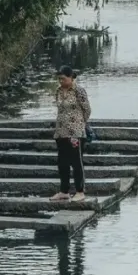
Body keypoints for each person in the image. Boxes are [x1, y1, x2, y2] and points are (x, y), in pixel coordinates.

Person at [51, 66, 92, 204]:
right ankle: (64, 191)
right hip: (61, 131)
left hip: (75, 132)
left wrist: (79, 123)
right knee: (62, 162)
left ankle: (80, 191)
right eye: (59, 79)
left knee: (76, 162)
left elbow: (87, 110)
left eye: (63, 78)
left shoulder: (79, 91)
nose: (61, 81)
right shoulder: (58, 91)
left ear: (71, 77)